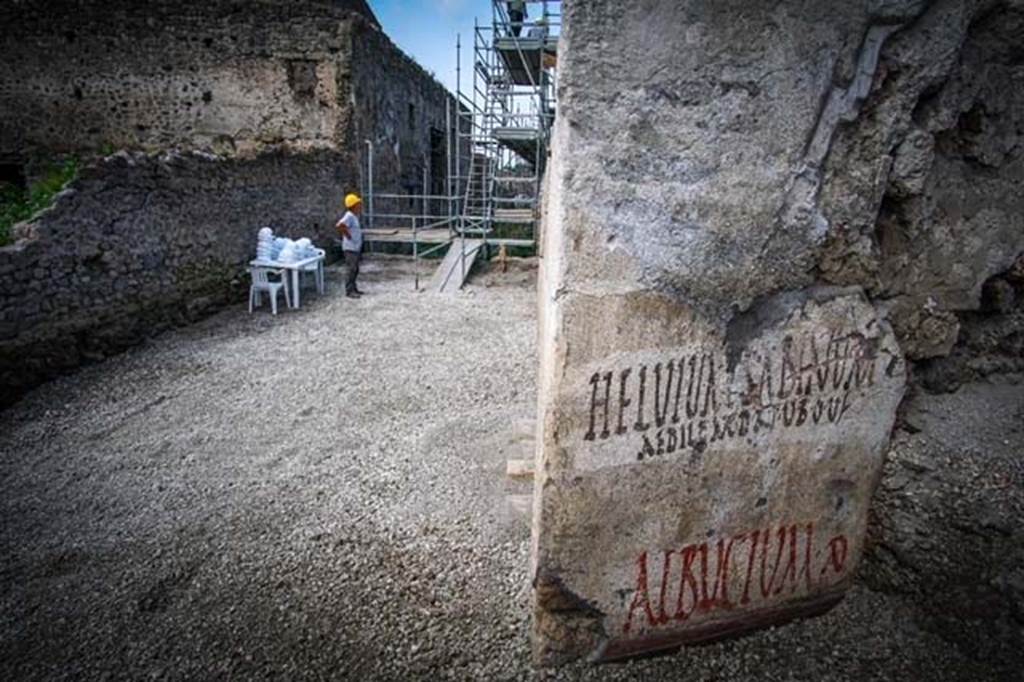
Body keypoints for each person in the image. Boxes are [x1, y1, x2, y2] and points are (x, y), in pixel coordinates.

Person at [336, 193, 364, 298]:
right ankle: (349, 291)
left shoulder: (354, 216)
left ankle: (354, 288)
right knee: (351, 269)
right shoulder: (349, 215)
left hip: (355, 247)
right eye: (358, 204)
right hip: (350, 248)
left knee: (355, 269)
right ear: (353, 206)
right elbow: (339, 225)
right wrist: (348, 236)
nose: (360, 206)